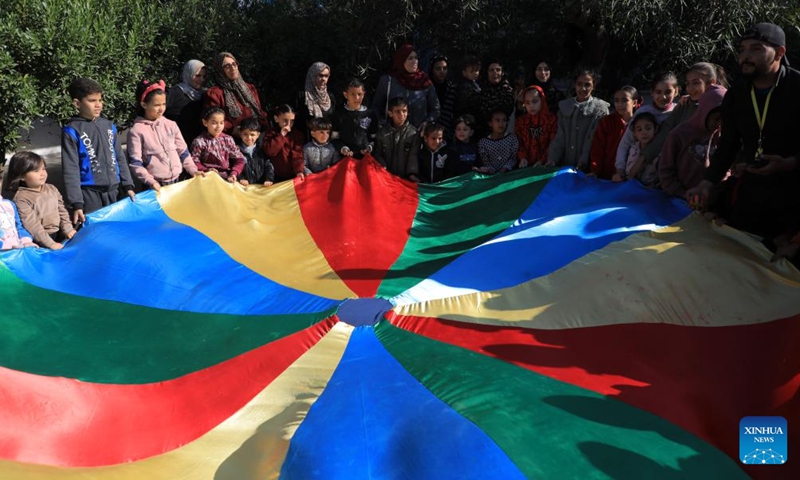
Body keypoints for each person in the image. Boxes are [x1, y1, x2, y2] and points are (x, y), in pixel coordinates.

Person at [687, 23, 800, 246]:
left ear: (780, 52)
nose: (746, 56)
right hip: (754, 189)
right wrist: (707, 183)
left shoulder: (797, 87)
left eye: (756, 49)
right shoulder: (737, 94)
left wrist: (790, 163)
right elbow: (728, 145)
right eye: (742, 49)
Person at [61, 77, 135, 226]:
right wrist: (77, 203)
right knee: (96, 232)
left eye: (100, 100)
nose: (98, 105)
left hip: (115, 191)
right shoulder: (72, 131)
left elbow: (120, 157)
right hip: (90, 195)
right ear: (77, 103)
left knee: (118, 230)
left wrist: (128, 185)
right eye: (92, 101)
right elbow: (71, 169)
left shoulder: (109, 126)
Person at [642, 63, 728, 165]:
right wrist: (643, 158)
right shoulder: (684, 105)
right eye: (688, 83)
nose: (690, 88)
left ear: (711, 83)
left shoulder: (723, 108)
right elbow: (666, 132)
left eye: (695, 83)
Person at [127, 79, 199, 191]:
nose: (161, 109)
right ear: (144, 104)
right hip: (155, 186)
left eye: (164, 104)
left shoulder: (171, 125)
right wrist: (150, 181)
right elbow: (135, 163)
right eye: (156, 105)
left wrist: (193, 170)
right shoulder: (136, 131)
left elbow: (183, 152)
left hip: (178, 181)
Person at [659, 85, 726, 198]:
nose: (719, 123)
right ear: (704, 112)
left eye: (723, 119)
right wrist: (683, 194)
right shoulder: (679, 134)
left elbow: (725, 167)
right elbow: (665, 171)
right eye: (716, 118)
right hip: (679, 199)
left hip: (710, 199)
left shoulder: (721, 135)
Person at [613, 72, 680, 180]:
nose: (663, 97)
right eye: (658, 92)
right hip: (637, 171)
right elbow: (626, 143)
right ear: (652, 93)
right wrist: (620, 169)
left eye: (668, 92)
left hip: (664, 174)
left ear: (676, 91)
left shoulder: (678, 113)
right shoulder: (642, 112)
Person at [6, 152, 75, 250]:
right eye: (36, 171)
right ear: (21, 176)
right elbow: (33, 226)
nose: (42, 174)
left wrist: (68, 229)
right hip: (40, 241)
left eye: (43, 169)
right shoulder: (21, 198)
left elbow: (62, 211)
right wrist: (51, 244)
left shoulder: (52, 189)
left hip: (60, 234)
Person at [547, 69, 610, 170]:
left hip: (589, 168)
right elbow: (559, 136)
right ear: (575, 85)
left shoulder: (600, 109)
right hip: (565, 165)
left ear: (594, 85)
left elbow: (593, 139)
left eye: (587, 84)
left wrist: (583, 161)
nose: (583, 88)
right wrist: (552, 159)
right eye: (579, 84)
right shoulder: (565, 107)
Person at [371, 44, 440, 128]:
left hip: (417, 135)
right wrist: (383, 124)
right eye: (410, 58)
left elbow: (435, 109)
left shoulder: (424, 81)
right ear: (401, 61)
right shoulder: (388, 81)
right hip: (392, 136)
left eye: (416, 58)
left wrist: (426, 122)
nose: (414, 61)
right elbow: (376, 107)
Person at [204, 52, 269, 137]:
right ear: (220, 70)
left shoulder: (250, 88)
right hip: (233, 139)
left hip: (257, 134)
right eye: (227, 66)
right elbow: (212, 118)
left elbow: (259, 111)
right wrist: (232, 129)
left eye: (234, 64)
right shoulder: (215, 93)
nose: (233, 68)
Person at [590, 86, 640, 179]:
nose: (620, 104)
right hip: (608, 175)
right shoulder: (607, 122)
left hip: (634, 176)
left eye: (624, 100)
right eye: (617, 101)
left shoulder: (641, 123)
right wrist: (595, 171)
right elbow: (598, 149)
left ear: (634, 102)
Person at [191, 107, 245, 182]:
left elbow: (239, 159)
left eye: (221, 123)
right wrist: (206, 170)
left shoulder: (228, 139)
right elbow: (194, 161)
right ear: (205, 122)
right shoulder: (200, 141)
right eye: (214, 123)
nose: (218, 126)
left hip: (227, 177)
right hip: (208, 178)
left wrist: (234, 173)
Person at [374, 96, 420, 181]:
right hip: (385, 178)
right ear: (390, 113)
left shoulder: (413, 133)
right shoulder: (382, 133)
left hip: (405, 179)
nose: (401, 115)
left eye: (404, 111)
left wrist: (412, 174)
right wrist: (382, 165)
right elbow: (377, 153)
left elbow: (413, 156)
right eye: (398, 112)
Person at [164, 59, 208, 144]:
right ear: (188, 74)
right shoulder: (176, 92)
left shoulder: (203, 95)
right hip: (175, 143)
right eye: (197, 76)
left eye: (204, 76)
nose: (201, 80)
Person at [332, 79, 377, 159]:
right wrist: (343, 148)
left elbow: (375, 137)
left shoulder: (370, 114)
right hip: (345, 158)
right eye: (352, 94)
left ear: (364, 94)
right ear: (345, 95)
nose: (356, 98)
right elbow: (334, 138)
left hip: (366, 158)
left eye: (359, 94)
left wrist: (369, 147)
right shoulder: (338, 115)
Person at [515, 85, 557, 168]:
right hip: (525, 166)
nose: (531, 106)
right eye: (527, 102)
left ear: (542, 100)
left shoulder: (552, 120)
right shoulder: (521, 121)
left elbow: (553, 143)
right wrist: (523, 158)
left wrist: (542, 160)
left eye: (535, 101)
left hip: (546, 165)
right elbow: (518, 142)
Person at [0, 157, 36, 250]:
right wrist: (6, 247)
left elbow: (18, 227)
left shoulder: (9, 205)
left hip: (17, 255)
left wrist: (26, 241)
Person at [263, 104, 306, 181]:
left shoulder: (297, 135)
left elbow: (297, 154)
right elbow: (270, 151)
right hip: (273, 177)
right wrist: (281, 136)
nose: (289, 125)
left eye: (292, 121)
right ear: (276, 119)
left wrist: (299, 171)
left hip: (292, 175)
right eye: (285, 120)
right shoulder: (270, 133)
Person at [621, 112, 659, 186]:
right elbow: (630, 173)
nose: (644, 132)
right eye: (639, 130)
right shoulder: (634, 148)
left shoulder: (660, 151)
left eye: (648, 128)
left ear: (655, 129)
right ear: (634, 133)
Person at [296, 62, 335, 135]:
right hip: (305, 140)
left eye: (326, 76)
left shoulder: (330, 97)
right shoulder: (302, 96)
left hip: (326, 142)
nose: (323, 79)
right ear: (313, 76)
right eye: (320, 75)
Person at [477, 109, 518, 174]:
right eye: (497, 120)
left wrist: (505, 169)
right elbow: (485, 161)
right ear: (490, 123)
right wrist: (491, 171)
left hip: (510, 175)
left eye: (504, 120)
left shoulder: (512, 138)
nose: (501, 123)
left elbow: (514, 158)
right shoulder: (483, 143)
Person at [478, 60, 514, 134]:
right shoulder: (481, 91)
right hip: (485, 132)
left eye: (498, 70)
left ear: (502, 73)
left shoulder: (509, 91)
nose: (495, 72)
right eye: (491, 70)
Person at [237, 117, 275, 186]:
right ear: (240, 133)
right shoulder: (236, 151)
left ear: (258, 135)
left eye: (252, 134)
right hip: (244, 189)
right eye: (245, 134)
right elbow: (234, 166)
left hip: (262, 187)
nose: (249, 138)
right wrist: (241, 178)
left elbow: (268, 166)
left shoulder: (261, 150)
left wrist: (268, 179)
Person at [429, 55, 455, 133]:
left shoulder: (451, 87)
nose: (442, 71)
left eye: (445, 68)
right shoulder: (427, 87)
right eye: (438, 69)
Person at [452, 55, 482, 121]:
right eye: (472, 71)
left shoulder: (476, 85)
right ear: (464, 73)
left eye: (477, 70)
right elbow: (463, 105)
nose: (475, 73)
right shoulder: (463, 87)